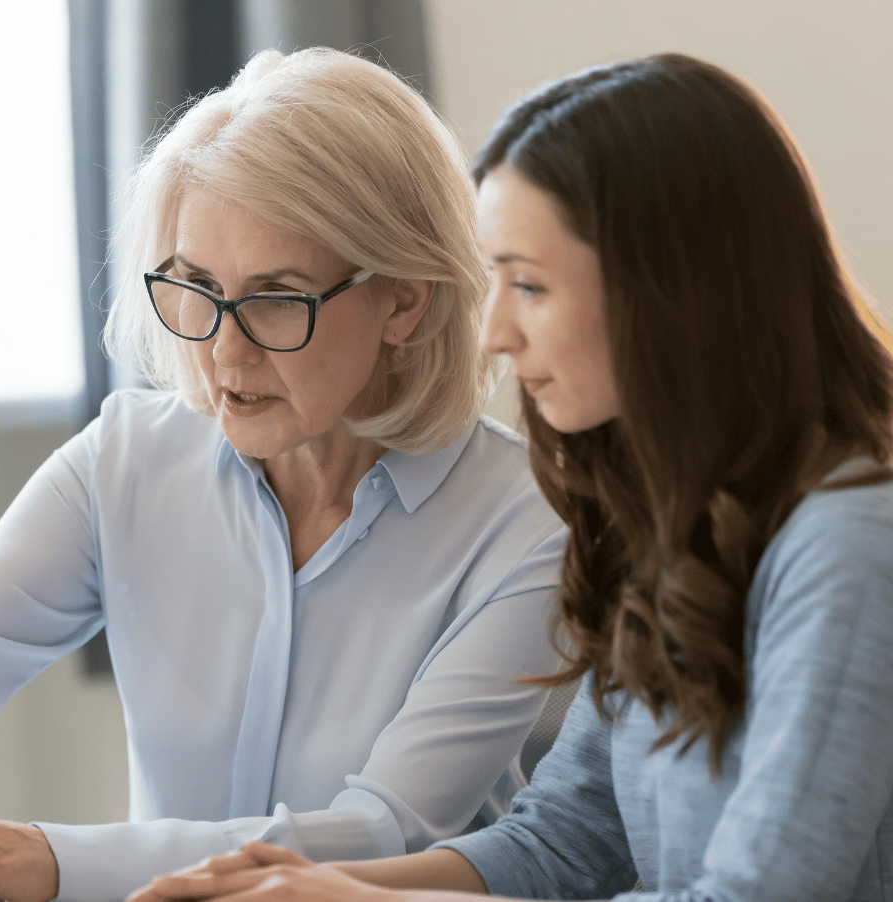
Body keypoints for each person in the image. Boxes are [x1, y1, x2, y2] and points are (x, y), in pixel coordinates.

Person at [0, 47, 567, 902]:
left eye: (276, 297)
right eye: (197, 287)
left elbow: (385, 830)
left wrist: (56, 860)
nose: (223, 351)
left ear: (405, 299)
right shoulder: (129, 459)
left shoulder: (526, 526)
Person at [131, 52, 893, 902]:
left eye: (528, 286)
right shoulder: (673, 525)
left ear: (671, 294)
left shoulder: (848, 543)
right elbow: (564, 843)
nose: (494, 331)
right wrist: (314, 883)